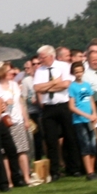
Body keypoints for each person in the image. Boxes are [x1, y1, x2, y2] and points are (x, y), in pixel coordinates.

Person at [31, 46, 74, 180]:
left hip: (63, 105)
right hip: (48, 107)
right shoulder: (40, 71)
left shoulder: (63, 66)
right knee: (51, 140)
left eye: (42, 57)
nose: (40, 60)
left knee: (70, 136)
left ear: (51, 56)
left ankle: (72, 167)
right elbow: (37, 88)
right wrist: (54, 82)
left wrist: (47, 87)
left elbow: (65, 84)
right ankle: (54, 171)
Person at [67, 61, 97, 180]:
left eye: (80, 71)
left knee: (93, 145)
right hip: (80, 121)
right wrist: (87, 115)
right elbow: (72, 107)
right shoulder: (72, 87)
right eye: (76, 72)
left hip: (91, 120)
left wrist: (94, 113)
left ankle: (93, 171)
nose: (78, 74)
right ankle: (89, 172)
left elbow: (91, 100)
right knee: (85, 146)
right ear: (73, 73)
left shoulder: (87, 85)